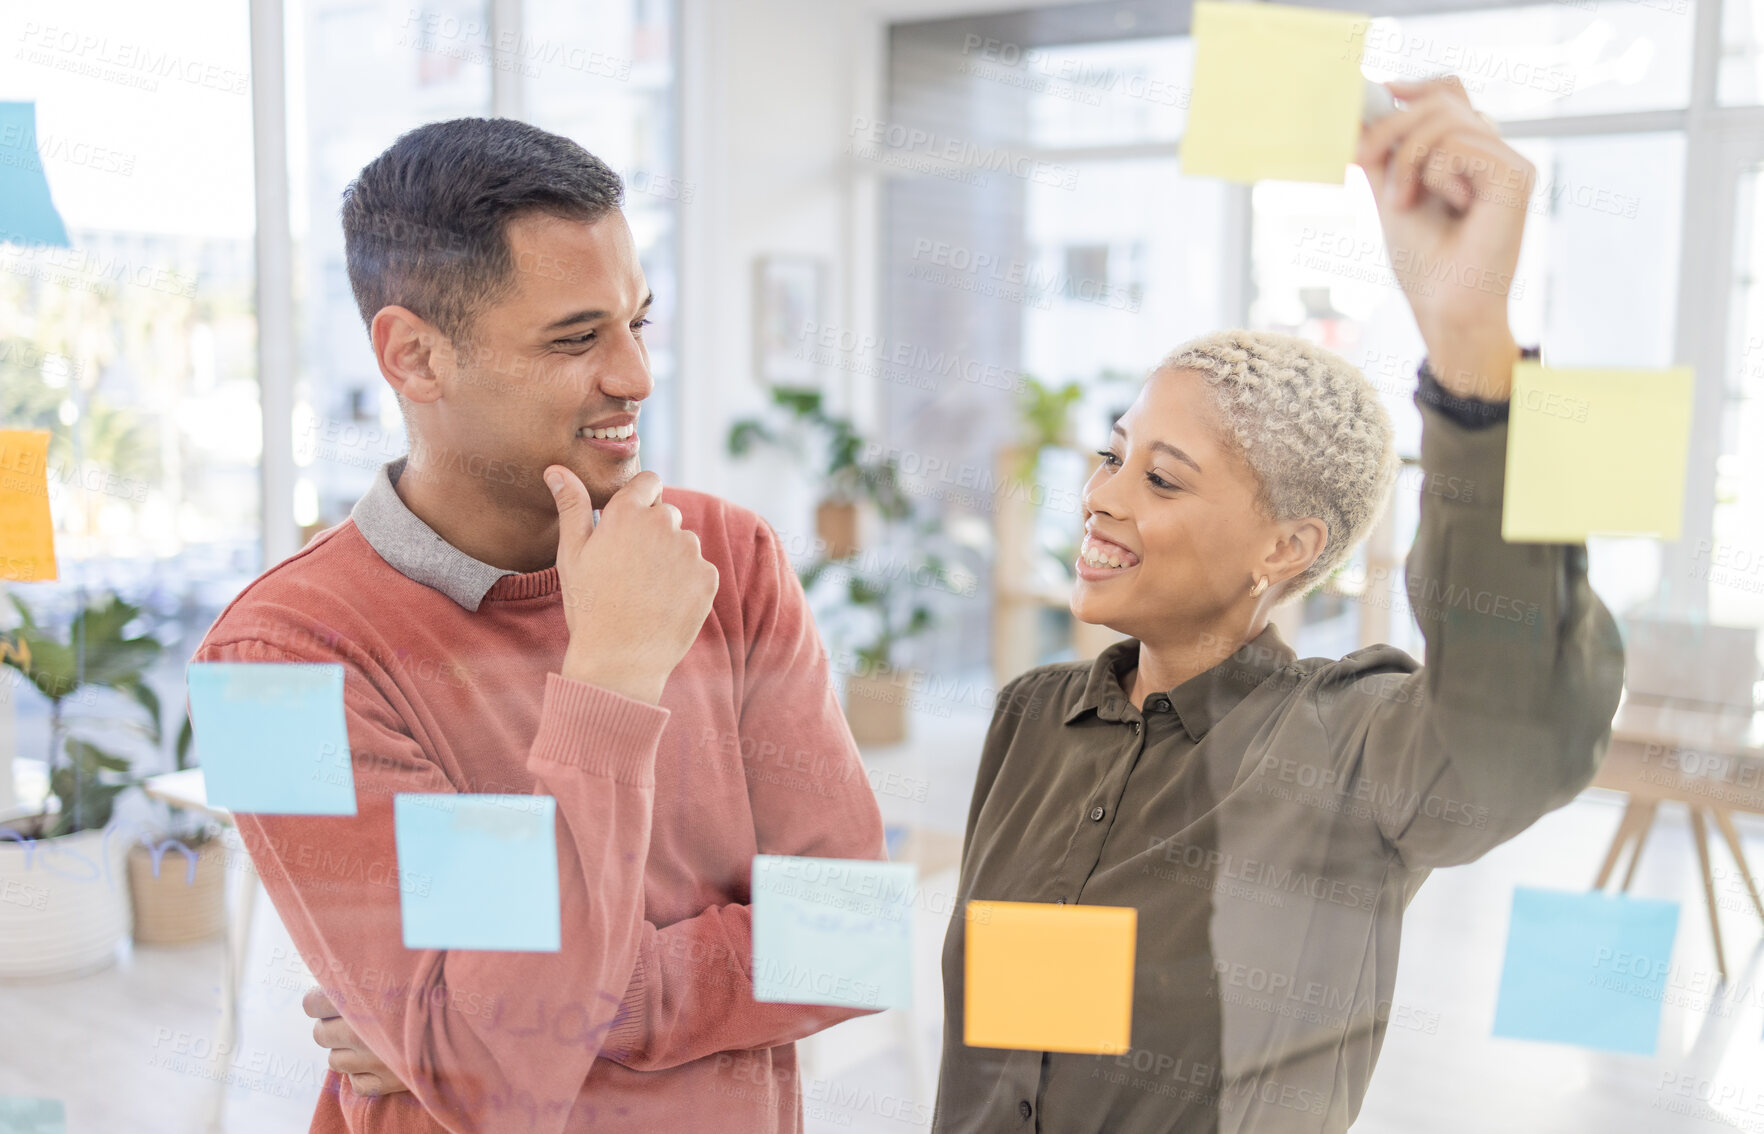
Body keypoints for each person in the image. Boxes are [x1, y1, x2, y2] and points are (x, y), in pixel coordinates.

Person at [929, 77, 1623, 1133]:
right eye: (1114, 457)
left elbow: (1523, 730)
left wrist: (1471, 344)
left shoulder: (1351, 745)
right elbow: (1021, 1054)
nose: (1102, 497)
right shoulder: (1035, 715)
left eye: (1161, 479)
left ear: (1287, 547)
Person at [192, 118, 887, 1132]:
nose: (636, 377)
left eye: (637, 323)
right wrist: (610, 678)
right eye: (575, 339)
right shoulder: (271, 667)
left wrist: (554, 999)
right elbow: (488, 1076)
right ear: (415, 356)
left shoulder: (726, 559)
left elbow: (853, 937)